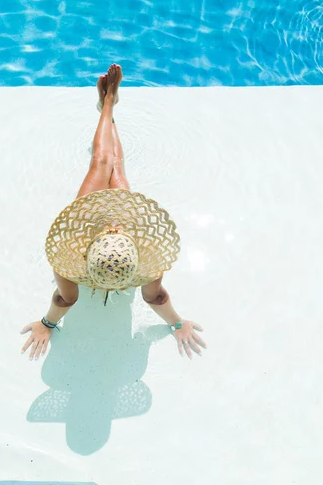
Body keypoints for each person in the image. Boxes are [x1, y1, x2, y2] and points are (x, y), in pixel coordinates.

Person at [20, 63, 207, 361]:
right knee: (111, 163)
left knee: (105, 162)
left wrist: (47, 324)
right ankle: (108, 104)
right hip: (96, 231)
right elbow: (155, 297)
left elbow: (64, 299)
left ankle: (107, 104)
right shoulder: (137, 265)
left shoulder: (70, 262)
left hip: (89, 229)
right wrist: (177, 324)